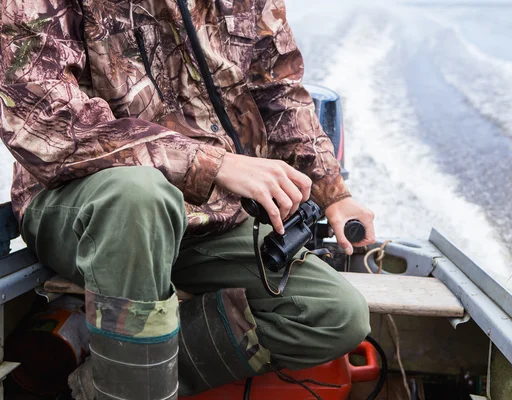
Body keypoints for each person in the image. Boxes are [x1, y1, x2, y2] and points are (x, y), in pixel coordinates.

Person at [0, 0, 375, 398]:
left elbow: (278, 91)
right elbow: (44, 122)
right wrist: (213, 164)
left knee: (334, 315)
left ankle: (98, 386)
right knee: (140, 194)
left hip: (211, 217)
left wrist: (331, 191)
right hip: (85, 209)